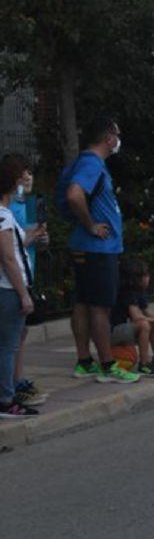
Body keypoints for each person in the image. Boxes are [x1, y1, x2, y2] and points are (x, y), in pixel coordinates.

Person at [62, 116, 140, 384]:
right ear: (108, 138)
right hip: (98, 247)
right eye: (116, 135)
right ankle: (108, 364)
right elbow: (74, 194)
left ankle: (85, 362)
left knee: (83, 303)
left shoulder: (83, 162)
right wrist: (92, 225)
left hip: (86, 247)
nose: (118, 140)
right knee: (100, 307)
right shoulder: (92, 164)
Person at [8, 155, 48, 407]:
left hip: (26, 274)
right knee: (10, 337)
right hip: (9, 280)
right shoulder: (7, 208)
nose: (28, 178)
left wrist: (41, 241)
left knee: (20, 334)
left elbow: (32, 242)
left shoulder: (29, 204)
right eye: (22, 174)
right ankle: (10, 385)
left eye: (30, 173)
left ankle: (17, 379)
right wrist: (29, 240)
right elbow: (8, 248)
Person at [0, 155, 39, 417]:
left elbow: (14, 250)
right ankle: (6, 399)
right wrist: (24, 294)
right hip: (8, 290)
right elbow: (8, 258)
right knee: (8, 347)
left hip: (8, 288)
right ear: (14, 183)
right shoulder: (3, 217)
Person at [110, 258, 154, 376]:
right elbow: (137, 317)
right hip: (113, 332)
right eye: (146, 275)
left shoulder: (138, 291)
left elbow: (146, 310)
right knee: (144, 324)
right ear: (136, 279)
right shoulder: (127, 292)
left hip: (123, 329)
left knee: (152, 323)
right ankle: (144, 364)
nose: (149, 278)